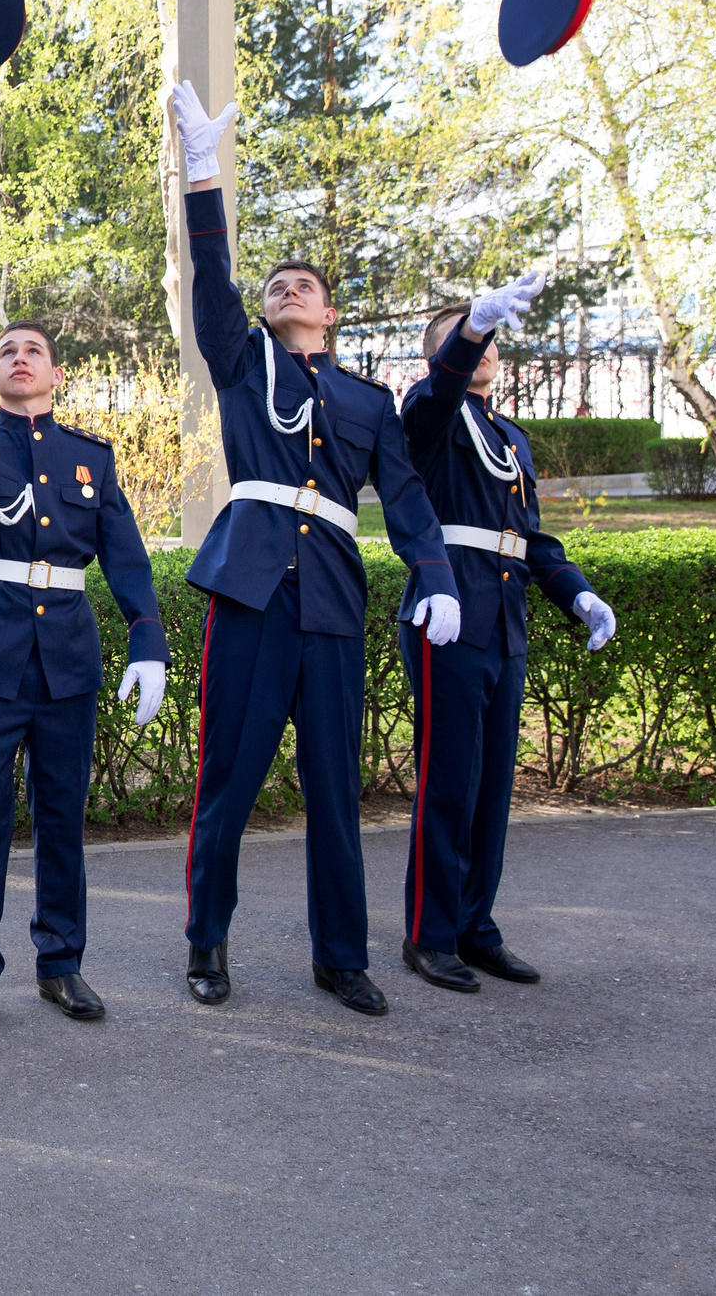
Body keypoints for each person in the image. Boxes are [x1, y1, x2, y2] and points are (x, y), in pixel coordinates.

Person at [168, 80, 461, 1018]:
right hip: (253, 591)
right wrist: (202, 173)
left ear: (330, 315)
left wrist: (436, 573)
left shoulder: (370, 402)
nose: (288, 290)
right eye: (278, 285)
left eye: (307, 287)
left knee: (337, 792)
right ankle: (206, 943)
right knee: (228, 783)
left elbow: (407, 498)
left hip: (331, 598)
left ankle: (341, 955)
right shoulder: (244, 363)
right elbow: (213, 285)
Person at [0, 286, 169, 1034]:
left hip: (66, 660)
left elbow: (126, 555)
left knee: (62, 817)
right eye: (6, 353)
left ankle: (61, 963)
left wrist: (147, 637)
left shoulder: (90, 458)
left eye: (33, 350)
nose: (20, 359)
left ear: (54, 375)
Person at [396, 289, 617, 992]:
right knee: (448, 779)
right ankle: (429, 935)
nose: (486, 346)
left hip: (506, 617)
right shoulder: (428, 415)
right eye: (469, 338)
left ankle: (475, 926)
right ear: (444, 353)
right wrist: (469, 331)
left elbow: (532, 537)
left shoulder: (512, 437)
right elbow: (437, 396)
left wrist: (577, 591)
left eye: (491, 337)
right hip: (448, 611)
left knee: (492, 785)